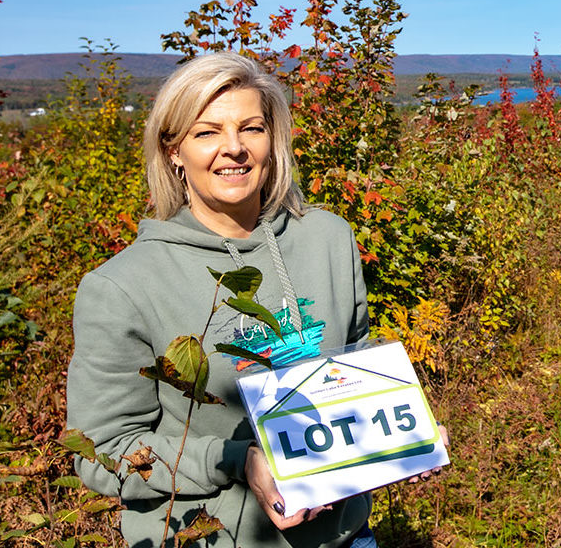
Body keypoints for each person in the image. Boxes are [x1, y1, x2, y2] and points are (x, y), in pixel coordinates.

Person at [67, 52, 385, 547]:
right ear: (173, 151)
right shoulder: (123, 286)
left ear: (272, 139)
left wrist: (408, 426)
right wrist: (237, 462)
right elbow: (102, 452)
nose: (233, 148)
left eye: (251, 128)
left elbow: (356, 356)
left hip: (345, 533)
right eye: (206, 132)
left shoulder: (328, 237)